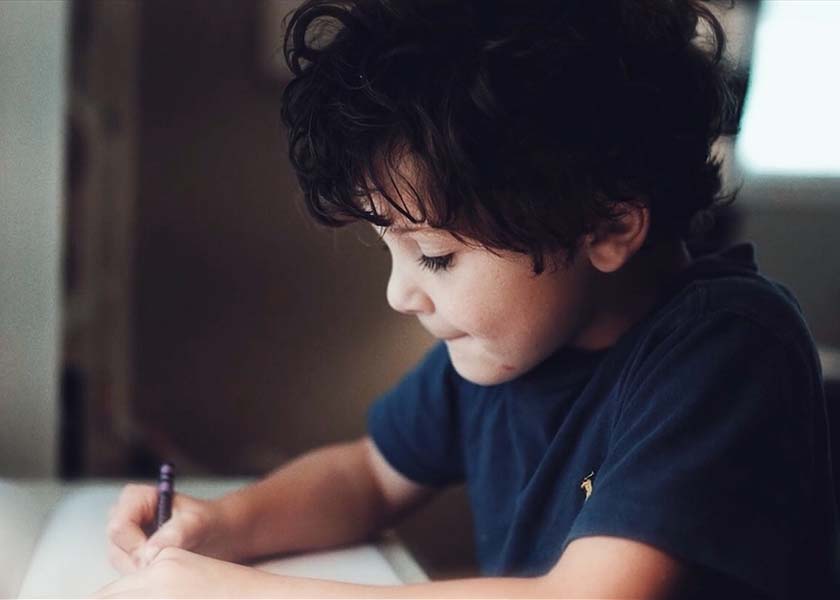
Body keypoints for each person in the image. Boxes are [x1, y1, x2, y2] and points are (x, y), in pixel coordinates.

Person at [97, 0, 840, 598]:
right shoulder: (501, 351)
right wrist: (223, 525)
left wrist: (239, 593)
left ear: (609, 228)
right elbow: (367, 477)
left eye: (434, 255)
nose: (398, 292)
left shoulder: (727, 348)